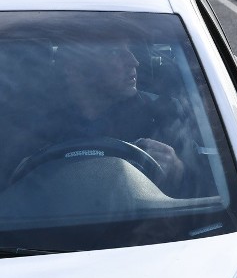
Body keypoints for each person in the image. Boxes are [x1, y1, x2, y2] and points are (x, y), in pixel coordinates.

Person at [10, 38, 194, 195]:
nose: (134, 61)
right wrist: (14, 179)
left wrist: (179, 171)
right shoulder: (28, 125)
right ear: (74, 68)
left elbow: (210, 189)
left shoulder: (163, 114)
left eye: (129, 50)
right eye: (114, 52)